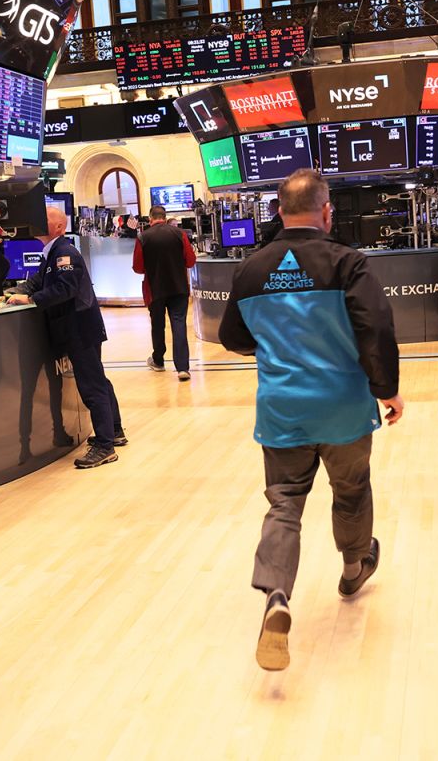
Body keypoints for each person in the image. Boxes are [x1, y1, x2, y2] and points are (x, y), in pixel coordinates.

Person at [219, 168, 403, 671]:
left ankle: (276, 596)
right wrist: (387, 390)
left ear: (279, 211)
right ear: (327, 212)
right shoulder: (348, 263)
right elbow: (375, 330)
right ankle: (353, 566)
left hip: (282, 409)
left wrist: (277, 346)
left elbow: (232, 337)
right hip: (343, 407)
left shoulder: (252, 268)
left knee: (284, 505)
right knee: (351, 490)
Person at [7, 207, 127, 469]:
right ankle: (115, 431)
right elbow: (39, 282)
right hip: (79, 327)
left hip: (80, 328)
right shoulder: (51, 254)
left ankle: (105, 446)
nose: (39, 220)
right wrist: (13, 292)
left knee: (91, 386)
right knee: (98, 380)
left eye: (46, 218)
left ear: (60, 227)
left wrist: (30, 300)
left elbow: (65, 288)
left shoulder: (65, 253)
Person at [133, 205, 196, 381]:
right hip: (179, 288)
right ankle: (183, 368)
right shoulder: (179, 234)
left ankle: (159, 361)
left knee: (157, 325)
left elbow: (138, 267)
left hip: (155, 289)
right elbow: (190, 261)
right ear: (165, 217)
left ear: (150, 218)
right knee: (179, 325)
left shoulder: (142, 237)